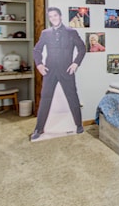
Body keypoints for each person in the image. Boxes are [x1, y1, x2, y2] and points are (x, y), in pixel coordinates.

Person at [31, 7, 86, 141]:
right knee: (45, 98)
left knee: (72, 97)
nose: (53, 18)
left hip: (67, 70)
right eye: (51, 16)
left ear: (60, 16)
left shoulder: (71, 32)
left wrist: (75, 63)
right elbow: (36, 50)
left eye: (55, 15)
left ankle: (79, 125)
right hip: (50, 71)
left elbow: (82, 48)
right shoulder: (45, 33)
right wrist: (39, 65)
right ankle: (39, 129)